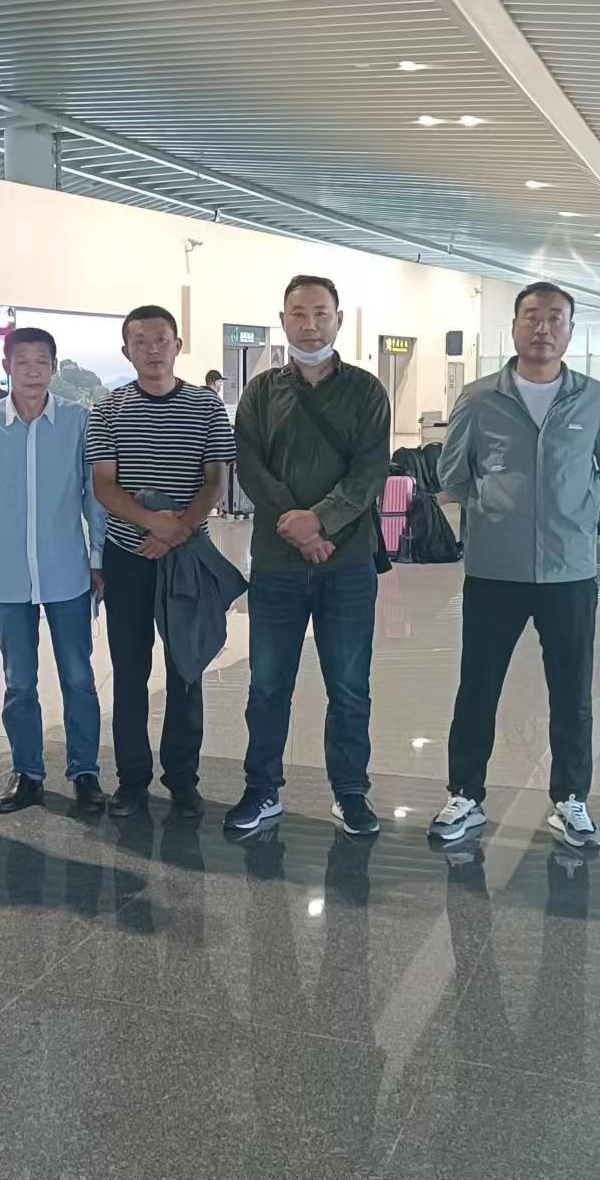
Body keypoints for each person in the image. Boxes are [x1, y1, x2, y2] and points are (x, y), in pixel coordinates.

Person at [432, 282, 600, 849]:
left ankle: (571, 800)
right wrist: (495, 512)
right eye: (532, 317)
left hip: (569, 572)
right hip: (493, 570)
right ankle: (465, 795)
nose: (542, 328)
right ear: (515, 326)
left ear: (570, 329)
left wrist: (576, 513)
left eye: (554, 318)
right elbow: (452, 475)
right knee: (478, 687)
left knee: (572, 691)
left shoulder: (594, 398)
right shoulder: (479, 398)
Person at [225, 274, 390, 836]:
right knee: (268, 684)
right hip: (277, 564)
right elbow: (251, 468)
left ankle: (350, 792)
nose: (310, 324)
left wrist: (320, 521)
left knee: (349, 685)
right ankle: (262, 789)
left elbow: (369, 473)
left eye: (321, 313)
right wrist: (298, 529)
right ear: (283, 321)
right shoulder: (260, 392)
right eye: (298, 313)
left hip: (348, 564)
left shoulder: (366, 391)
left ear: (339, 319)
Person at [86, 304, 235, 818]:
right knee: (129, 673)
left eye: (161, 339)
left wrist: (178, 531)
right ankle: (132, 780)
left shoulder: (206, 406)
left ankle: (183, 779)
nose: (152, 349)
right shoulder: (108, 410)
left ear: (177, 345)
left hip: (186, 558)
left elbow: (216, 479)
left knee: (186, 669)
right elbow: (104, 486)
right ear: (126, 350)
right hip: (128, 557)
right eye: (140, 341)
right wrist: (155, 525)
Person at [0, 326, 108, 815]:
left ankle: (85, 772)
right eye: (22, 361)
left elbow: (93, 496)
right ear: (6, 367)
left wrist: (97, 559)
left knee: (78, 677)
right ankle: (27, 772)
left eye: (42, 361)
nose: (32, 371)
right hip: (7, 575)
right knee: (19, 680)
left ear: (53, 367)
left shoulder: (77, 421)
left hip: (67, 571)